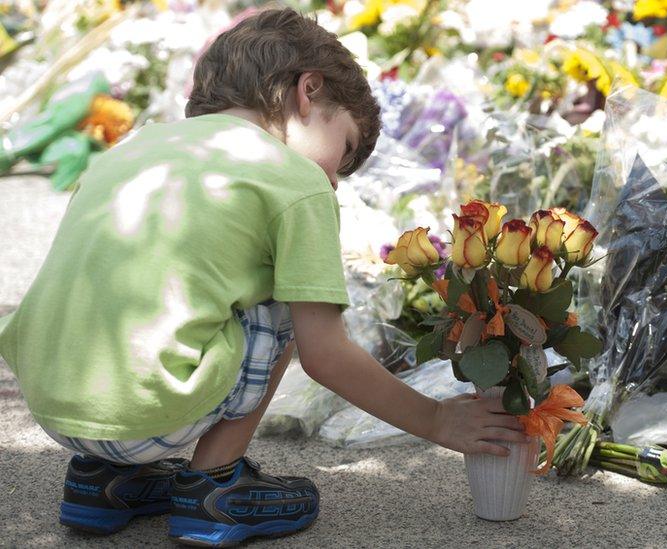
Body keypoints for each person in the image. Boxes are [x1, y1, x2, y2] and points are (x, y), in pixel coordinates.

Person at [0, 8, 527, 547]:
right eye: (343, 150)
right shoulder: (296, 180)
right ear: (309, 90)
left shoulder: (134, 148)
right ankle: (215, 487)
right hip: (146, 415)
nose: (334, 181)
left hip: (52, 406)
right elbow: (324, 356)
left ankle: (104, 483)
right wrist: (437, 421)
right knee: (285, 297)